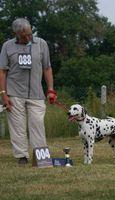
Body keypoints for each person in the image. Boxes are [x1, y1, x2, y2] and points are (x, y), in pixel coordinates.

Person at [0, 18, 57, 165]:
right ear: (16, 33)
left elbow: (47, 68)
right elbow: (2, 72)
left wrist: (50, 89)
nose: (28, 37)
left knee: (38, 124)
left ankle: (40, 156)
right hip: (14, 92)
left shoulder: (41, 44)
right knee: (18, 126)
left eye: (29, 34)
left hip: (37, 93)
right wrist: (3, 94)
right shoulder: (7, 46)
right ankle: (22, 156)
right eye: (24, 35)